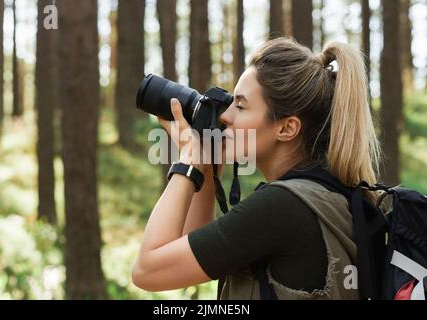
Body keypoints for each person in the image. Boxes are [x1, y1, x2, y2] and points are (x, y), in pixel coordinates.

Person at [132, 37, 381, 300]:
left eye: (240, 106)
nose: (226, 116)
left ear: (286, 128)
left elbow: (148, 271)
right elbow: (185, 258)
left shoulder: (282, 206)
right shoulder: (329, 195)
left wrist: (188, 161)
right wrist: (205, 168)